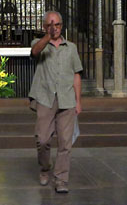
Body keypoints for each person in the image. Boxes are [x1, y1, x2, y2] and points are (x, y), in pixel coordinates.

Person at [29, 11, 83, 193]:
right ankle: (45, 168)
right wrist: (48, 35)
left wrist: (78, 101)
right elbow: (35, 52)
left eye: (58, 25)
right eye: (51, 25)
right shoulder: (39, 44)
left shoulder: (71, 48)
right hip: (45, 98)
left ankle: (61, 180)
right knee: (43, 140)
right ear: (45, 27)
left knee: (65, 143)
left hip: (67, 99)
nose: (55, 28)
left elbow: (76, 74)